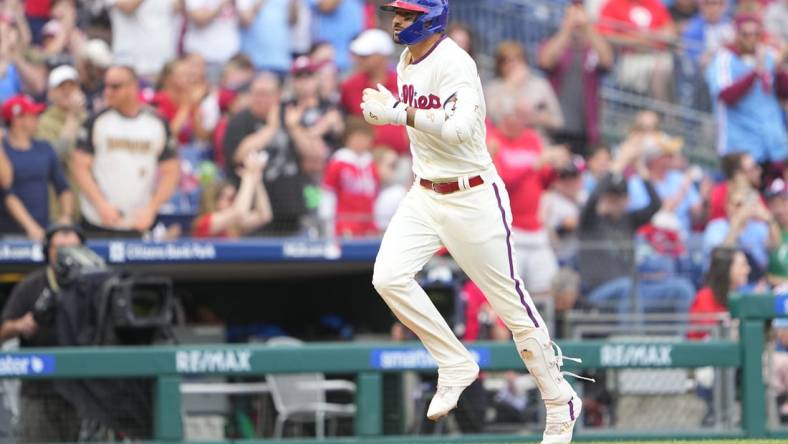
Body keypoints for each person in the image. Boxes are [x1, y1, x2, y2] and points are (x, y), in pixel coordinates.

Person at [361, 1, 586, 442]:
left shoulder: (454, 61)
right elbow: (422, 129)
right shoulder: (406, 60)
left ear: (429, 17)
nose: (396, 20)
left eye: (405, 14)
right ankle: (455, 361)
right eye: (395, 12)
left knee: (512, 308)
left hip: (472, 196)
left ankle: (560, 401)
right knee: (388, 277)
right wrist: (387, 113)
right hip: (425, 193)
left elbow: (463, 129)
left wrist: (396, 113)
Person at [70, 65, 179, 237]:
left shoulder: (156, 123)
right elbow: (79, 166)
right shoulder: (96, 121)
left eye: (115, 87)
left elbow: (171, 171)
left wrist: (152, 208)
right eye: (106, 86)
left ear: (133, 86)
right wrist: (100, 204)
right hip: (97, 220)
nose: (108, 92)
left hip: (138, 222)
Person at [0, 223, 84, 442]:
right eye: (59, 249)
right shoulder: (31, 285)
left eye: (72, 249)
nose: (65, 256)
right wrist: (20, 325)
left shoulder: (90, 286)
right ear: (48, 251)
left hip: (83, 391)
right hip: (39, 391)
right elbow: (3, 330)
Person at [705, 14, 787, 166]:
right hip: (740, 147)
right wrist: (755, 72)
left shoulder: (768, 55)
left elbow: (783, 93)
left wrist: (780, 69)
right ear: (736, 35)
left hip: (772, 145)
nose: (752, 38)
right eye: (746, 34)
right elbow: (726, 95)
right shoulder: (724, 59)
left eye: (756, 34)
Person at [538, 1, 614, 155]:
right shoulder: (556, 43)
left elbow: (607, 60)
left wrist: (587, 27)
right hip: (555, 127)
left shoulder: (591, 48)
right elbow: (545, 60)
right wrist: (567, 27)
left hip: (585, 129)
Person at [0, 95, 73, 239]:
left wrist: (66, 217)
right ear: (17, 119)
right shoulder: (3, 150)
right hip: (8, 231)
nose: (37, 118)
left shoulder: (44, 148)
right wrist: (31, 227)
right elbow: (7, 191)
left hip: (43, 227)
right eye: (31, 115)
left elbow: (63, 187)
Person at [319, 117, 380, 237]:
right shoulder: (339, 161)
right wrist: (328, 221)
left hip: (368, 220)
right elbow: (328, 192)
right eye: (357, 138)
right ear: (347, 139)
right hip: (345, 221)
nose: (361, 142)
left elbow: (375, 191)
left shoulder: (370, 163)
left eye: (365, 138)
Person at [192, 151, 272, 238]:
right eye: (230, 198)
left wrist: (256, 179)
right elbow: (239, 213)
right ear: (215, 200)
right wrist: (248, 176)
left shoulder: (233, 223)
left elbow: (264, 216)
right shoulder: (203, 223)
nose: (235, 201)